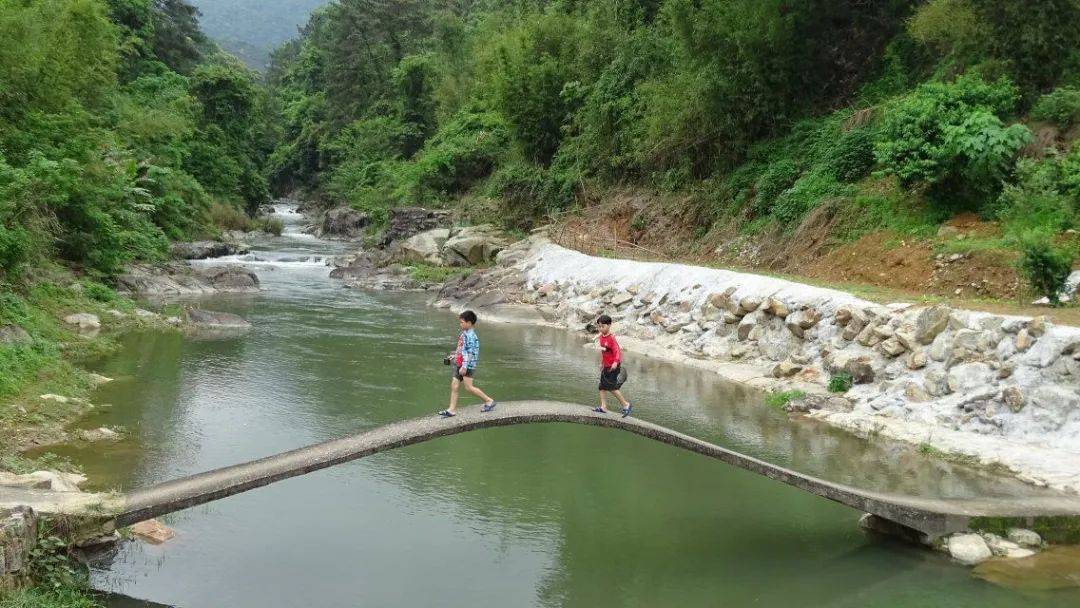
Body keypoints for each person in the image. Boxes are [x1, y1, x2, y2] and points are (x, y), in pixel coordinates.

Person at [439, 310, 497, 417]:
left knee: (469, 387)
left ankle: (489, 401)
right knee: (454, 385)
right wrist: (454, 355)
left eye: (462, 322)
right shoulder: (464, 333)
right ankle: (451, 410)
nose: (460, 324)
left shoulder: (470, 336)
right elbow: (462, 348)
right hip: (460, 363)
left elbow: (470, 353)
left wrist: (464, 366)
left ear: (469, 323)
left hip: (467, 365)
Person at [594, 314, 632, 417]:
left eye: (603, 326)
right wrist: (602, 363)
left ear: (609, 325)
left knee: (611, 387)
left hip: (613, 366)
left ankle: (626, 405)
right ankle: (603, 407)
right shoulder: (601, 337)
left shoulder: (611, 338)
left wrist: (615, 362)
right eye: (599, 326)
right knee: (602, 386)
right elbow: (604, 352)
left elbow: (617, 352)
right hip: (606, 366)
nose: (601, 328)